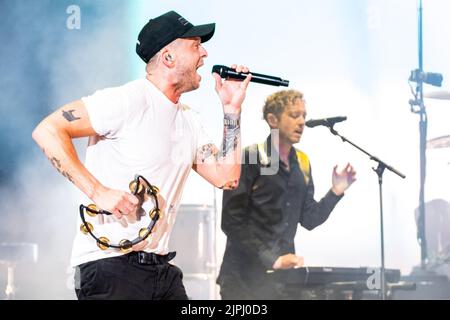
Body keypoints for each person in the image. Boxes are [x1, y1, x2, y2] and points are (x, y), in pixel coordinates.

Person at [32, 10, 251, 300]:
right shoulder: (128, 100)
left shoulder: (189, 120)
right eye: (195, 44)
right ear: (168, 57)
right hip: (109, 266)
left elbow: (227, 177)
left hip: (161, 270)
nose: (205, 53)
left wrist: (232, 109)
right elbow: (48, 130)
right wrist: (98, 191)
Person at [217, 89, 357, 300]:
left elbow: (309, 219)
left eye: (304, 116)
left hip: (283, 281)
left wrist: (336, 191)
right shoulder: (250, 157)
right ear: (273, 119)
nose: (301, 122)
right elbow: (231, 221)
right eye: (294, 115)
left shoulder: (302, 162)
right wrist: (271, 259)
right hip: (243, 280)